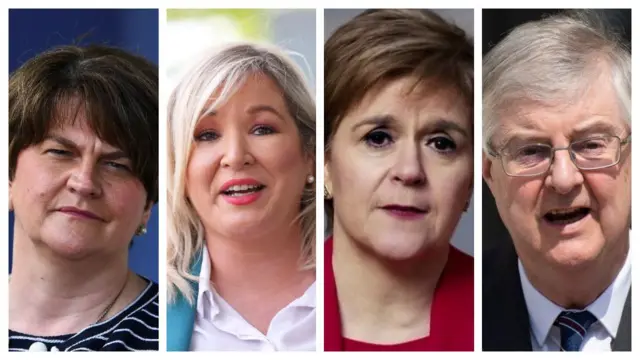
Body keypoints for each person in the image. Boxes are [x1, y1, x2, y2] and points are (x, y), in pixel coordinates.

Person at [324, 9, 474, 351]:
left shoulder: (509, 317)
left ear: (468, 183)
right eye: (378, 138)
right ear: (326, 164)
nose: (409, 171)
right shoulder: (275, 313)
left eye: (441, 143)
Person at [482, 10, 631, 351]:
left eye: (592, 144)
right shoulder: (462, 318)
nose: (563, 180)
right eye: (531, 151)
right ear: (489, 173)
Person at [166, 42, 316, 351]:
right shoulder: (152, 315)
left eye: (262, 129)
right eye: (207, 135)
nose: (235, 157)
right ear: (179, 168)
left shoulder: (365, 288)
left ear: (309, 154)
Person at [8, 44, 159, 351]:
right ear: (8, 177)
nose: (84, 182)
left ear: (147, 206)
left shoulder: (178, 337)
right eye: (60, 153)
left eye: (117, 165)